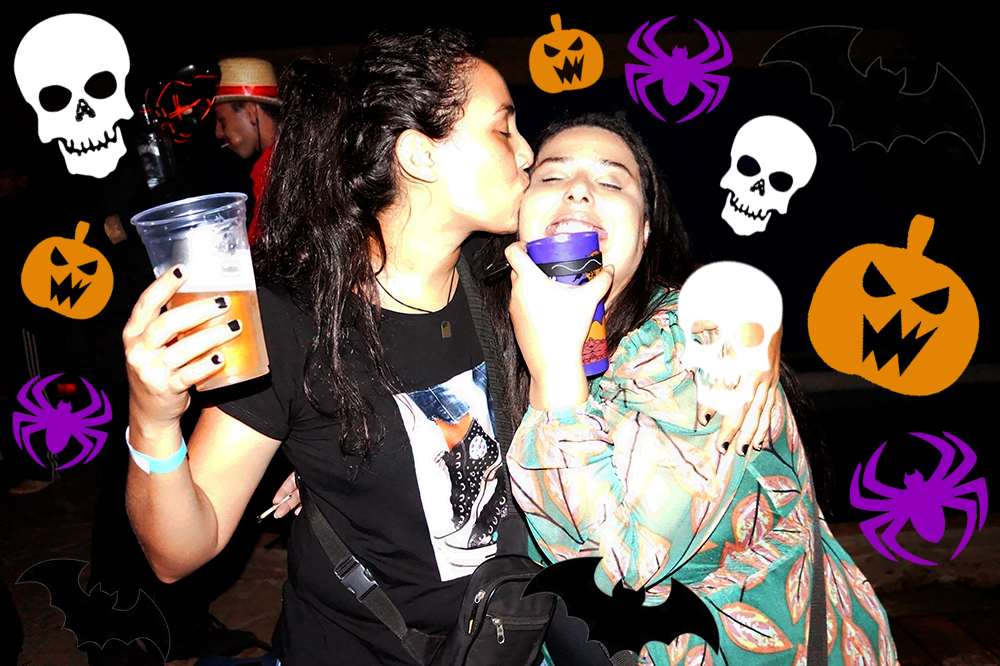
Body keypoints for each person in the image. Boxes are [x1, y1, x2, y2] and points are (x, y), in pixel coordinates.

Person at [123, 29, 534, 665]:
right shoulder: (296, 323)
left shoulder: (511, 276)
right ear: (419, 155)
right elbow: (180, 551)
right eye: (503, 129)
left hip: (512, 639)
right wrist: (152, 418)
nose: (527, 151)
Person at [502, 114, 898, 665]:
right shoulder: (495, 318)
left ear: (645, 232)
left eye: (612, 181)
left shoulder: (702, 350)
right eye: (551, 176)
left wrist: (554, 381)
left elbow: (620, 569)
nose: (579, 190)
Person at [213, 57, 281, 242]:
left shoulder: (277, 171)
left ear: (251, 113)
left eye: (222, 120)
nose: (218, 133)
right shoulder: (283, 158)